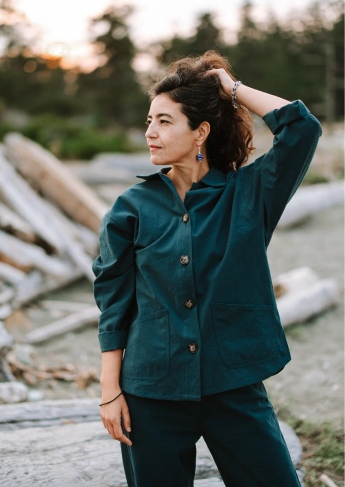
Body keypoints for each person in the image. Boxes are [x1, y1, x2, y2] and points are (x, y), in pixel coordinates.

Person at [93, 51, 321, 486]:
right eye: (148, 121)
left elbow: (302, 128)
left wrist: (231, 89)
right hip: (150, 391)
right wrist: (110, 394)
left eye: (164, 121)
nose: (150, 133)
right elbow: (114, 305)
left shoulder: (251, 193)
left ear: (200, 132)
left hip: (233, 384)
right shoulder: (130, 209)